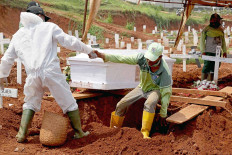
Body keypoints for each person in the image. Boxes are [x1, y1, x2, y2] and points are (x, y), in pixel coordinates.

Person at [0, 6, 98, 143]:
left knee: (30, 102)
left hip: (32, 75)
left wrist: (2, 75)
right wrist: (88, 50)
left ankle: (22, 134)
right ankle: (79, 132)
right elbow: (69, 41)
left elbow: (7, 58)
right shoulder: (48, 27)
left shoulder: (18, 35)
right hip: (50, 71)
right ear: (40, 16)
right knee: (68, 100)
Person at [94, 43, 172, 139]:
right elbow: (122, 58)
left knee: (150, 103)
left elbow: (166, 93)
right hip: (142, 87)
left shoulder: (164, 71)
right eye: (148, 58)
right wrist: (104, 56)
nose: (148, 61)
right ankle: (114, 129)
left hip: (156, 89)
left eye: (152, 59)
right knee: (121, 104)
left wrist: (163, 113)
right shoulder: (141, 58)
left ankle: (145, 133)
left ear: (160, 57)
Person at [200, 13, 228, 81]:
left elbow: (223, 41)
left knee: (216, 67)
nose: (218, 21)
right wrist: (203, 51)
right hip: (208, 51)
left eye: (218, 20)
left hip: (218, 52)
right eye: (216, 20)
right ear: (211, 20)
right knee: (207, 66)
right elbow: (202, 41)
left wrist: (224, 51)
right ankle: (203, 82)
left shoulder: (221, 30)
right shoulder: (206, 29)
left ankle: (211, 81)